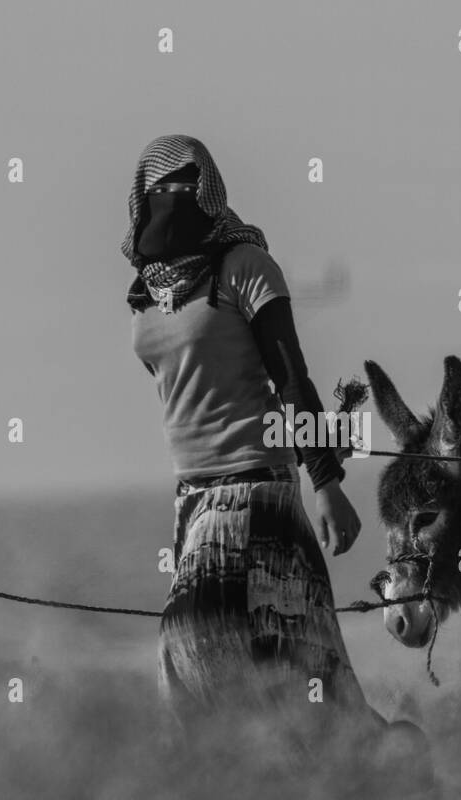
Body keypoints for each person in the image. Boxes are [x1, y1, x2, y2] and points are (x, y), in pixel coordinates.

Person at [123, 134, 418, 765]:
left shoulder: (247, 268)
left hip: (257, 492)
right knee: (209, 671)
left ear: (208, 188)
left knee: (292, 664)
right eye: (160, 188)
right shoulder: (145, 292)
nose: (172, 197)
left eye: (184, 184)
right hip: (192, 504)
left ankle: (388, 775)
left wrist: (328, 483)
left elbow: (292, 381)